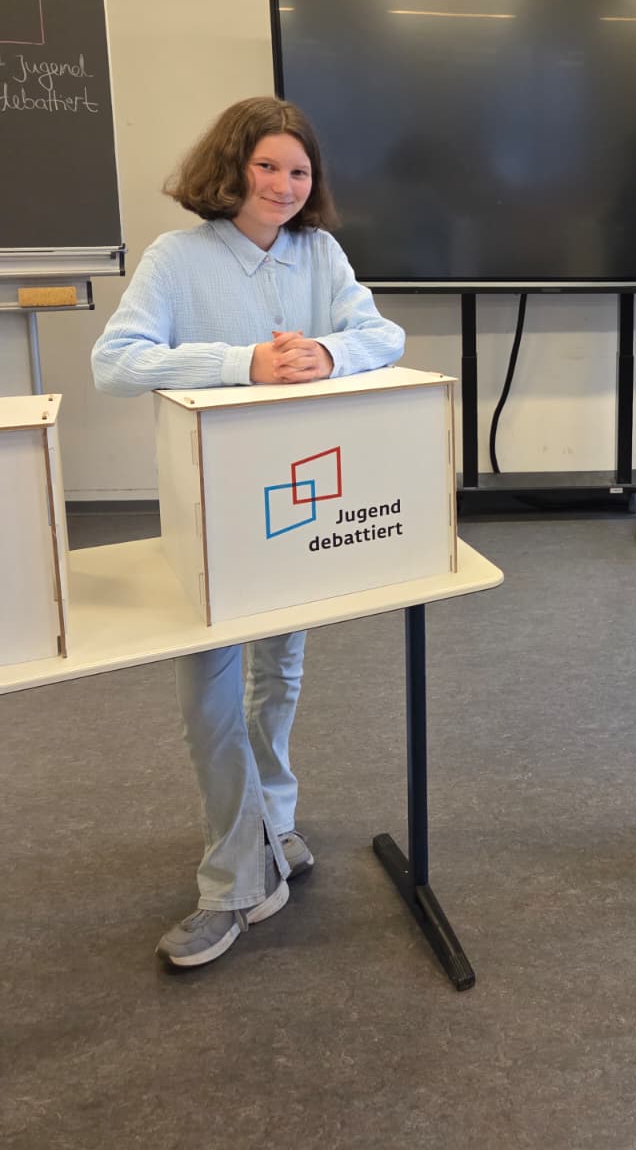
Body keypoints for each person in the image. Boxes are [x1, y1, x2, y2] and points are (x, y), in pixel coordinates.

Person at [92, 96, 406, 968]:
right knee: (209, 690)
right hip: (212, 511)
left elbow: (381, 333)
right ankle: (233, 882)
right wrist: (245, 363)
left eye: (299, 171)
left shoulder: (321, 253)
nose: (283, 184)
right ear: (231, 167)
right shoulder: (177, 258)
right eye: (267, 165)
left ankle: (272, 823)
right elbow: (115, 363)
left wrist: (330, 353)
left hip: (296, 510)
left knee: (281, 671)